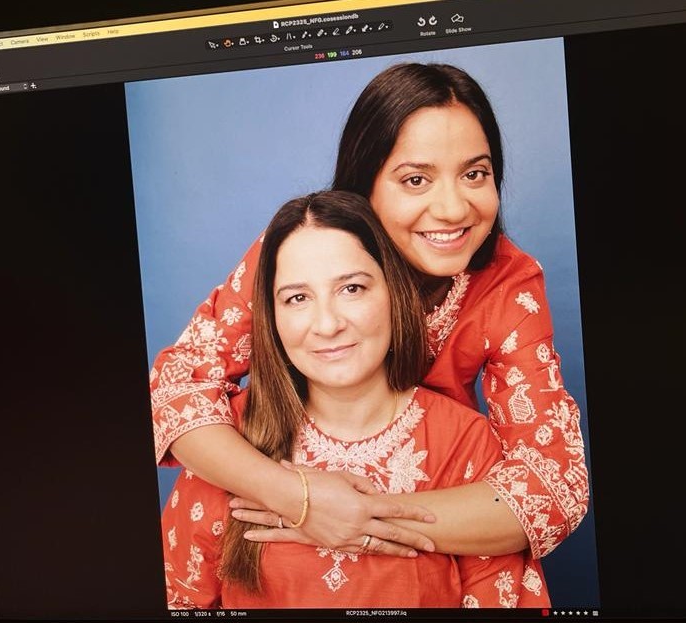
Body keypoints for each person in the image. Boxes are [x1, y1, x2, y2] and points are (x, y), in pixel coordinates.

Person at [151, 62, 588, 562]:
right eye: (416, 179)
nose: (452, 208)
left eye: (474, 173)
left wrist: (356, 518)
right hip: (283, 502)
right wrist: (300, 499)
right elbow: (177, 390)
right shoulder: (302, 248)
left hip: (440, 506)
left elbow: (555, 483)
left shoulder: (507, 281)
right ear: (364, 188)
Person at [161, 191, 550, 608]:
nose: (327, 324)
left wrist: (361, 514)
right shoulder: (227, 441)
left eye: (351, 288)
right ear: (271, 319)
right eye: (297, 298)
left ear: (393, 292)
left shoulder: (465, 443)